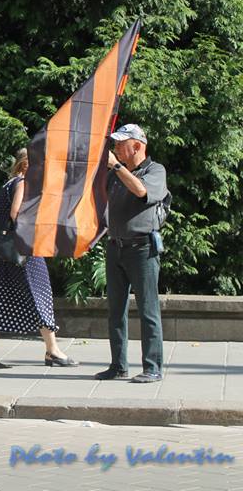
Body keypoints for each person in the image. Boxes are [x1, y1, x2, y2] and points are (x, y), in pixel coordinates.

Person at [0, 149, 77, 369]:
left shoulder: (9, 184)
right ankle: (53, 351)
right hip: (26, 249)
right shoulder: (24, 182)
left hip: (9, 252)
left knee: (1, 297)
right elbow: (17, 212)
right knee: (41, 294)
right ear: (27, 165)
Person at [96, 124, 169, 384]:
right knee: (115, 310)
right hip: (116, 247)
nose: (114, 149)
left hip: (142, 249)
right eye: (114, 144)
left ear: (136, 146)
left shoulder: (155, 170)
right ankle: (118, 365)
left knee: (148, 310)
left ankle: (152, 367)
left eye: (119, 144)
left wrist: (116, 166)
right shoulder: (116, 174)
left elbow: (141, 192)